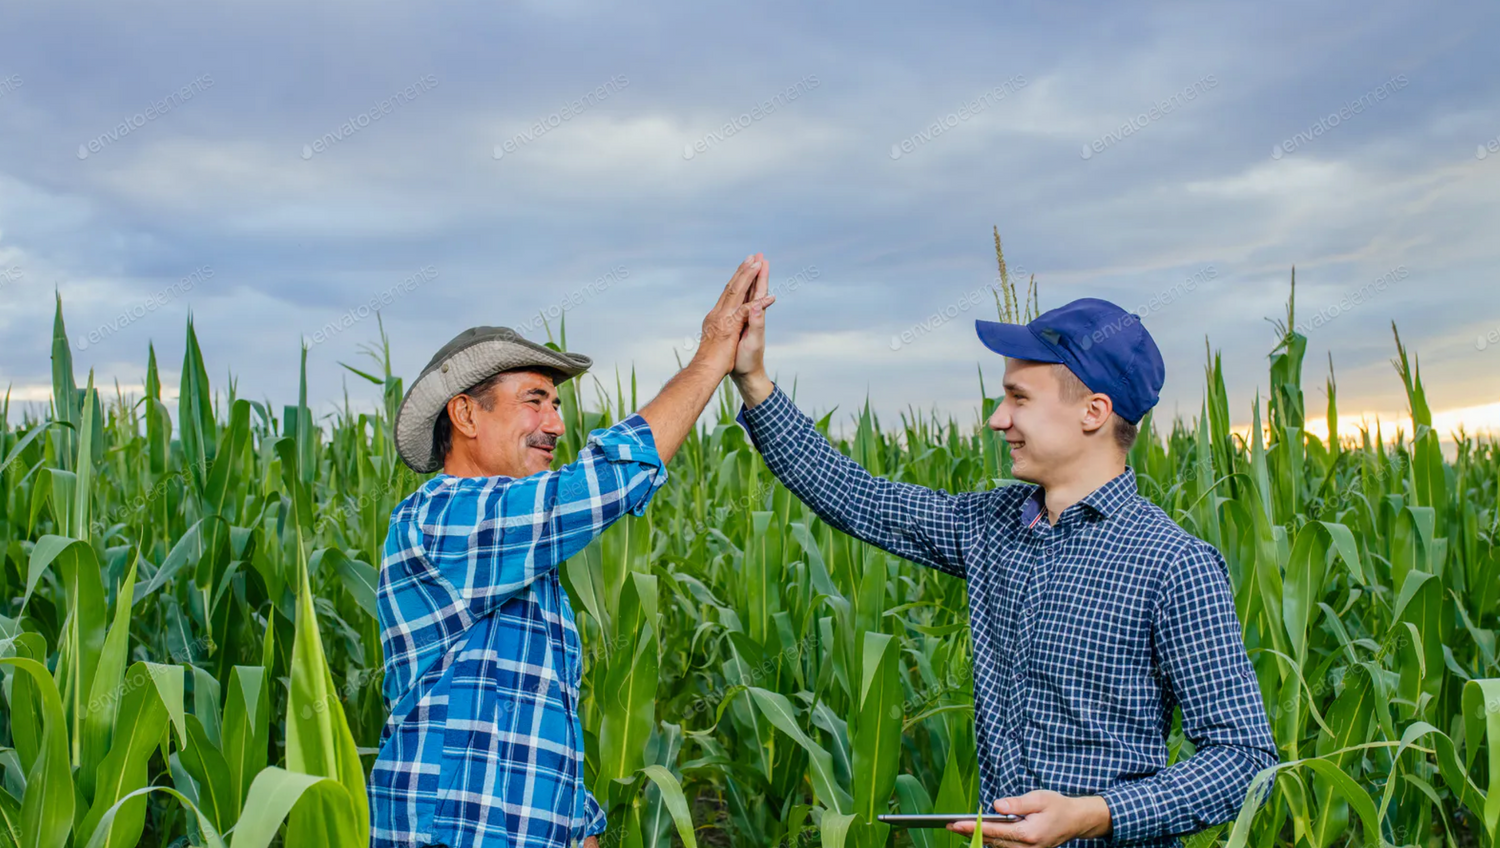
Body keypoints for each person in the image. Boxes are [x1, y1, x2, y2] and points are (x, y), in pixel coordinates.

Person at [729, 281, 1277, 847]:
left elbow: (1243, 760)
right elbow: (857, 496)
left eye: (1019, 398)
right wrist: (753, 380)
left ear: (1094, 412)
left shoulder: (1173, 564)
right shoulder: (990, 524)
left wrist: (1095, 814)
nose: (997, 419)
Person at [369, 255, 775, 848]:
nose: (556, 423)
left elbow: (534, 721)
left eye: (557, 404)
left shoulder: (521, 559)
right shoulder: (440, 518)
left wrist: (581, 828)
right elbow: (599, 484)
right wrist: (714, 355)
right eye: (535, 400)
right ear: (464, 414)